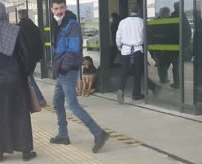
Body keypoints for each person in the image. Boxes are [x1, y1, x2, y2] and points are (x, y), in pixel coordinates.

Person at [0, 1, 36, 162]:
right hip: (16, 79)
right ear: (4, 14)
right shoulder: (16, 31)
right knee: (21, 113)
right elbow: (27, 56)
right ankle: (26, 151)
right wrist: (26, 73)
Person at [49, 0, 109, 153]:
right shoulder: (59, 24)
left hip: (67, 71)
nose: (59, 11)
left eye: (61, 8)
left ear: (65, 8)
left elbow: (74, 50)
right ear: (51, 10)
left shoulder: (72, 24)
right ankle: (63, 135)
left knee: (73, 105)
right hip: (62, 71)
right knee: (57, 102)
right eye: (56, 8)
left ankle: (99, 133)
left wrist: (63, 67)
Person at [116, 4, 159, 104]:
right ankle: (136, 94)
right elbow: (145, 37)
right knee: (137, 73)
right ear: (139, 11)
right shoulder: (142, 21)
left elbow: (118, 37)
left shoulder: (123, 22)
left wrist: (120, 47)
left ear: (130, 11)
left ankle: (121, 90)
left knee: (124, 72)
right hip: (137, 50)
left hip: (126, 50)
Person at [17, 9, 47, 107]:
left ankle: (40, 99)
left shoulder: (18, 28)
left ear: (19, 16)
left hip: (23, 57)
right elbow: (40, 43)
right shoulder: (35, 27)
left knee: (29, 78)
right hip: (33, 57)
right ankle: (29, 98)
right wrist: (40, 56)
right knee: (28, 77)